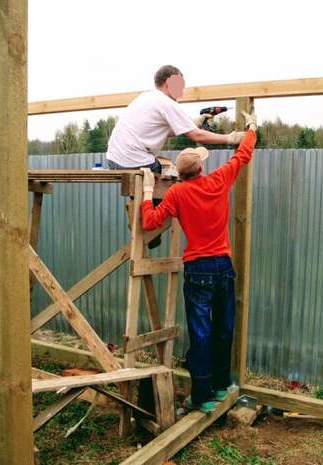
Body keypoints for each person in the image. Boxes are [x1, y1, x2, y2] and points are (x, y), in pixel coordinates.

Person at [139, 111, 257, 414]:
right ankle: (221, 386)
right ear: (201, 166)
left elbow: (150, 221)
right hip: (223, 266)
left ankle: (202, 395)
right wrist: (251, 126)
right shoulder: (219, 179)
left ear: (182, 173)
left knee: (201, 333)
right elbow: (243, 153)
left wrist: (148, 192)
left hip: (198, 269)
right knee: (223, 329)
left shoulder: (177, 192)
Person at [106, 64, 246, 172]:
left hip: (113, 160)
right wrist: (229, 138)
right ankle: (159, 209)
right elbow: (197, 136)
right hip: (135, 162)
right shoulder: (166, 102)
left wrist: (192, 123)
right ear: (168, 83)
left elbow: (161, 132)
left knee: (157, 185)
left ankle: (147, 207)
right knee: (173, 178)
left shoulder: (146, 97)